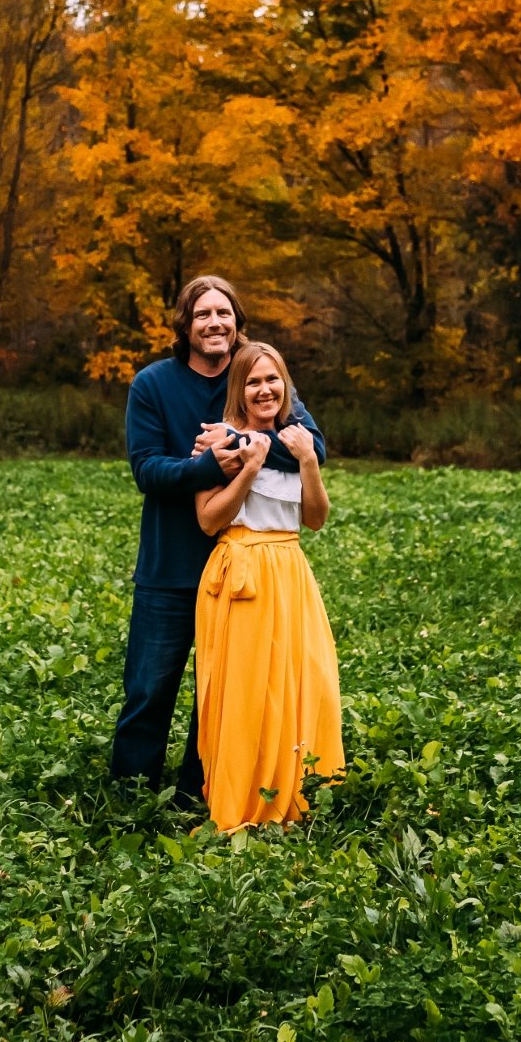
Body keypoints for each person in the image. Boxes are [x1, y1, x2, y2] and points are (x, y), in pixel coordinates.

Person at [115, 276, 326, 807]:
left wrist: (240, 442)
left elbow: (312, 447)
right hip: (171, 566)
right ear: (184, 326)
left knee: (222, 696)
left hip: (241, 574)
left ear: (238, 323)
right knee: (149, 691)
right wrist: (208, 464)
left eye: (224, 313)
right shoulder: (153, 384)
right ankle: (128, 799)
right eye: (203, 314)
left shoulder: (255, 374)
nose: (215, 323)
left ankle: (197, 795)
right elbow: (147, 470)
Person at [191, 341, 344, 829]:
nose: (264, 390)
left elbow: (316, 519)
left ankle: (296, 795)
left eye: (272, 380)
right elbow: (209, 520)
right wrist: (249, 468)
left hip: (291, 573)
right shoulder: (219, 444)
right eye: (253, 382)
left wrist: (310, 465)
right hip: (242, 575)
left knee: (302, 682)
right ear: (239, 388)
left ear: (286, 386)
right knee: (248, 690)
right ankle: (241, 802)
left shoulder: (298, 442)